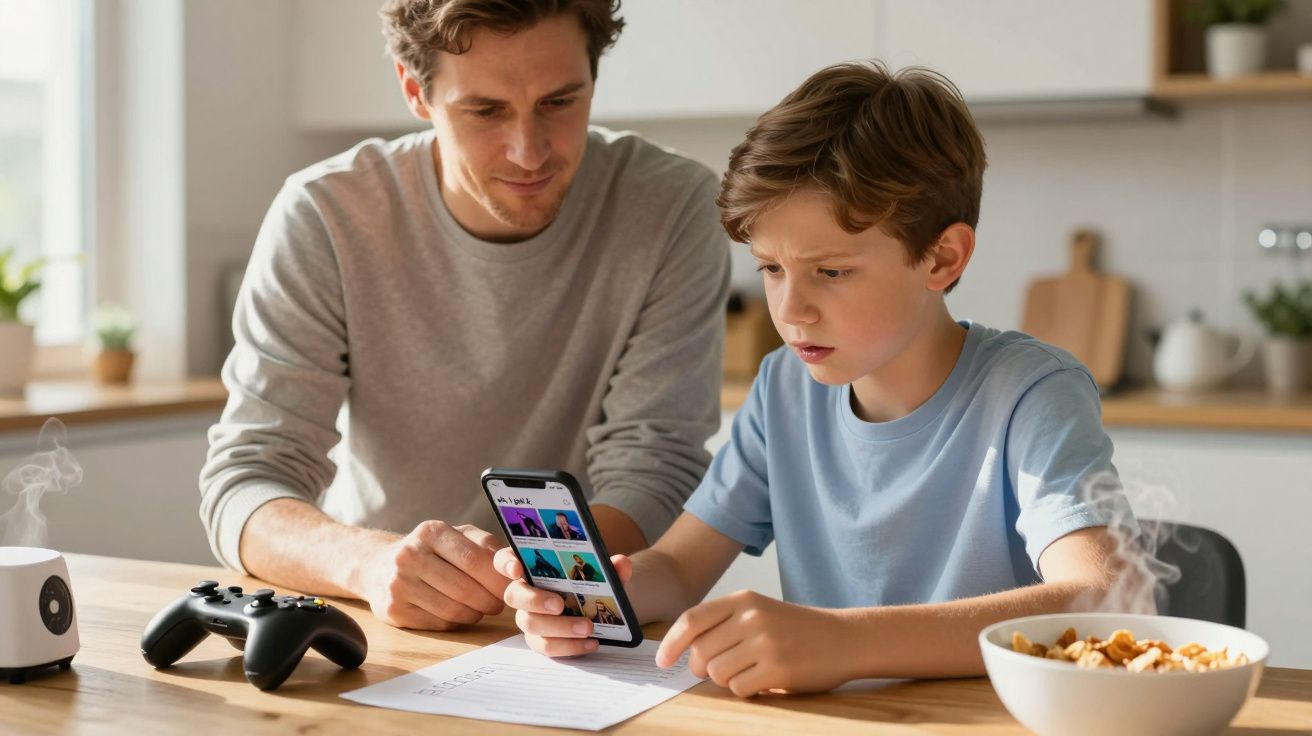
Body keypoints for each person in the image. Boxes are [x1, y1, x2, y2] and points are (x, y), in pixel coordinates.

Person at [498, 61, 1141, 696]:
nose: (790, 310)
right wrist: (593, 599)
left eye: (830, 271)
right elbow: (678, 566)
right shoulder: (783, 389)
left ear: (942, 258)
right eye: (771, 269)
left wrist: (845, 642)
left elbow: (1102, 599)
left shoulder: (1030, 391)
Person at [199, 0, 729, 633]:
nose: (530, 152)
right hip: (384, 617)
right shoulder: (325, 214)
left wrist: (533, 585)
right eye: (485, 111)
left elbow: (655, 464)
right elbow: (248, 479)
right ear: (414, 91)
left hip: (574, 620)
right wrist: (369, 563)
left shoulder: (671, 207)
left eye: (560, 103)